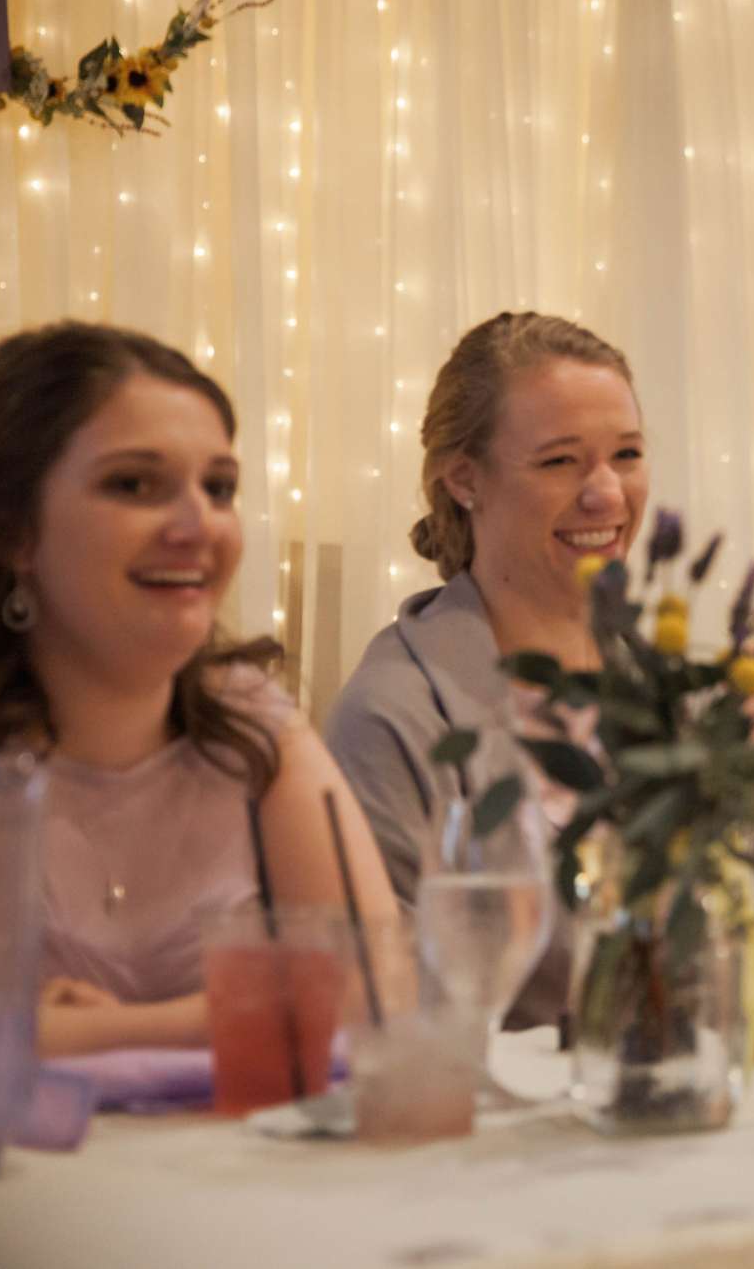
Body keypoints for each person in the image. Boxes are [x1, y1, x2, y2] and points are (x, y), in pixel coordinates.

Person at [0, 322, 395, 1058]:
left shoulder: (253, 723)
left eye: (219, 488)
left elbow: (376, 989)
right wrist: (225, 1017)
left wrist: (80, 1032)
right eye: (134, 484)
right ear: (14, 531)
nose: (197, 525)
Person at [325, 312, 648, 1026]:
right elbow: (395, 1006)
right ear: (466, 479)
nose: (608, 495)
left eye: (626, 454)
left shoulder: (659, 687)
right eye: (561, 461)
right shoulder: (394, 713)